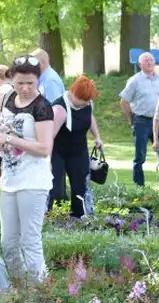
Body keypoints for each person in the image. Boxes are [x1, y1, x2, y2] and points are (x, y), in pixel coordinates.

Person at [0, 55, 54, 282]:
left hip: (33, 182)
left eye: (30, 83)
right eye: (19, 83)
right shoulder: (7, 98)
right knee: (8, 242)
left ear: (38, 81)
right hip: (9, 180)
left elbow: (44, 148)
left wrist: (9, 139)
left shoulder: (43, 107)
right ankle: (19, 286)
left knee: (30, 240)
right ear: (12, 81)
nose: (24, 88)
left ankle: (40, 291)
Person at [49, 75, 102, 217]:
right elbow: (49, 137)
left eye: (87, 101)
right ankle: (48, 217)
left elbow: (90, 118)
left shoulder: (88, 104)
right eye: (82, 100)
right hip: (57, 152)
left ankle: (80, 216)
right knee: (54, 188)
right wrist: (47, 160)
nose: (85, 103)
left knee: (81, 186)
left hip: (79, 151)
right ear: (73, 93)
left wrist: (97, 137)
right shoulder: (59, 109)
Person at [120, 52, 159, 186]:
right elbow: (124, 101)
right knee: (140, 157)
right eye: (146, 60)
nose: (149, 62)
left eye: (151, 60)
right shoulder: (135, 80)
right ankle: (139, 187)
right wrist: (131, 120)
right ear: (140, 65)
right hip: (141, 121)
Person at [0, 64, 14, 183]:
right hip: (14, 132)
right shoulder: (14, 87)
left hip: (4, 131)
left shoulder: (4, 89)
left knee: (1, 174)